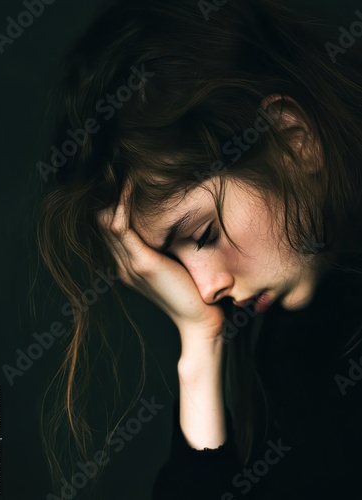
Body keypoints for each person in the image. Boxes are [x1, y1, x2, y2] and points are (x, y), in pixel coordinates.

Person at [36, 0, 362, 498]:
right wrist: (199, 346)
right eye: (172, 261)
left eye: (204, 234)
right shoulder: (286, 339)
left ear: (293, 139)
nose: (206, 290)